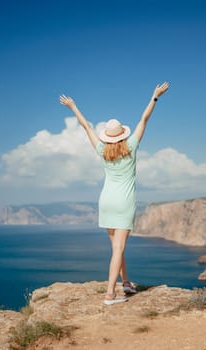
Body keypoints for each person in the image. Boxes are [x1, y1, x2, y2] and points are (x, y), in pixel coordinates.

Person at [60, 82, 170, 305]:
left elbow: (87, 127)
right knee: (119, 249)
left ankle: (126, 282)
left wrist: (73, 107)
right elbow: (144, 119)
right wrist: (155, 97)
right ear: (122, 134)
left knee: (116, 248)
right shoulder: (131, 146)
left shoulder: (102, 151)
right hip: (124, 202)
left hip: (106, 201)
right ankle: (110, 294)